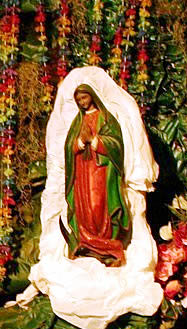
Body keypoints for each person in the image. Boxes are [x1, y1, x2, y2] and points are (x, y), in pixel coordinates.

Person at [62, 84, 131, 267]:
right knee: (83, 208)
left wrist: (95, 141)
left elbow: (116, 144)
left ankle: (108, 246)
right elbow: (69, 147)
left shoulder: (106, 118)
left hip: (100, 171)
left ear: (91, 96)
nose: (82, 103)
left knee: (98, 206)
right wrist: (78, 142)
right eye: (79, 100)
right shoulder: (78, 121)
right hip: (82, 172)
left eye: (84, 98)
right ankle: (87, 244)